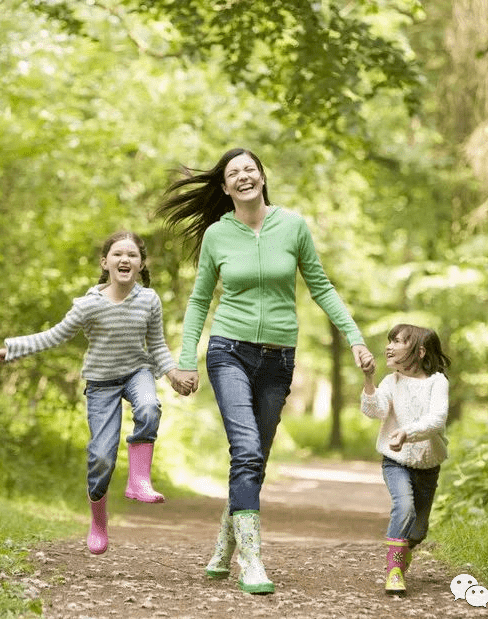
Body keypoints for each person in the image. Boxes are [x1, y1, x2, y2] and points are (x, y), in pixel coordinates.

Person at [156, 147, 375, 594]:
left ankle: (224, 543)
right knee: (248, 451)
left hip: (279, 358)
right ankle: (251, 562)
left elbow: (320, 284)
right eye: (233, 173)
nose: (242, 177)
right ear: (224, 187)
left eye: (249, 169)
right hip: (228, 351)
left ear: (261, 177)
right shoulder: (219, 234)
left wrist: (354, 336)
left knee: (254, 460)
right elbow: (200, 300)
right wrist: (185, 359)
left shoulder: (292, 226)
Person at [0, 231, 195, 555]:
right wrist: (13, 348)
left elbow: (156, 346)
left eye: (132, 254)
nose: (124, 259)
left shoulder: (149, 300)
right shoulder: (89, 305)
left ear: (141, 264)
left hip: (136, 372)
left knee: (149, 407)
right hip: (101, 382)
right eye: (117, 254)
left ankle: (138, 481)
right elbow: (54, 335)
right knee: (101, 457)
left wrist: (171, 373)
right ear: (105, 262)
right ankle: (98, 521)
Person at [360, 323, 451, 596]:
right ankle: (394, 571)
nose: (389, 346)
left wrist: (406, 432)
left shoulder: (437, 382)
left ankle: (403, 550)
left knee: (418, 531)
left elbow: (436, 419)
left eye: (397, 341)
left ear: (420, 351)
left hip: (428, 466)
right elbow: (374, 411)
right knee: (405, 506)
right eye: (390, 341)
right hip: (395, 461)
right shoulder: (391, 382)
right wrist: (368, 380)